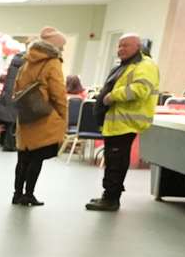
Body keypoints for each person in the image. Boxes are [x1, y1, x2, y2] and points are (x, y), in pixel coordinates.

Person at [84, 33, 159, 211]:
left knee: (117, 162)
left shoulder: (145, 65)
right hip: (117, 122)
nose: (120, 49)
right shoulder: (127, 65)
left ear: (138, 47)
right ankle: (108, 195)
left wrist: (112, 96)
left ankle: (111, 199)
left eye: (126, 45)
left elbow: (141, 89)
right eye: (119, 46)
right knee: (112, 160)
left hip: (127, 122)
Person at [11, 29, 68, 206]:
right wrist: (62, 115)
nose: (63, 49)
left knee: (23, 157)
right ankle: (29, 194)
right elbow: (58, 92)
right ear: (55, 45)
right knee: (37, 158)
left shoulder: (26, 61)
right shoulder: (52, 62)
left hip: (27, 114)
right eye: (62, 46)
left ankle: (17, 193)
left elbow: (17, 86)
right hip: (44, 116)